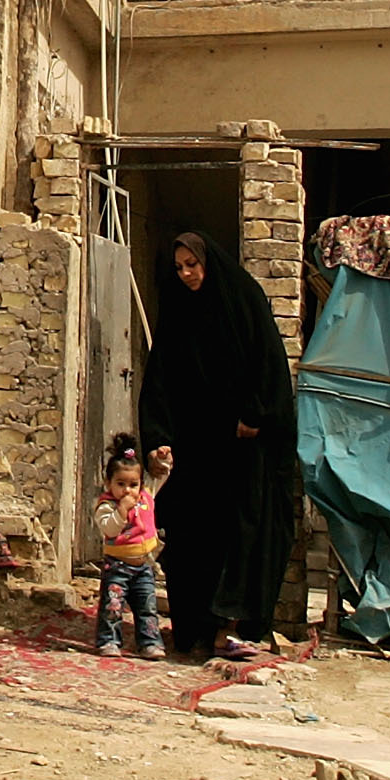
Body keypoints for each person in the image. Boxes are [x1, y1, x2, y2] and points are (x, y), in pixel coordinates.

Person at [140, 230, 296, 658]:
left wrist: (255, 414)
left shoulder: (242, 300)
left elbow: (266, 361)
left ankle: (236, 628)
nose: (187, 274)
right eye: (180, 267)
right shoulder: (177, 311)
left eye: (193, 264)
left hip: (244, 451)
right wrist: (159, 438)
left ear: (209, 262)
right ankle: (195, 630)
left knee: (242, 535)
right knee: (192, 538)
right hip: (197, 449)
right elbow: (162, 380)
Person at [92, 433, 173, 658]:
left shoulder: (146, 496)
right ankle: (108, 641)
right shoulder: (107, 506)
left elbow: (162, 474)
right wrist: (122, 510)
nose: (127, 490)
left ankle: (149, 643)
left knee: (147, 608)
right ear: (108, 483)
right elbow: (109, 529)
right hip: (117, 567)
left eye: (133, 485)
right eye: (121, 484)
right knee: (113, 607)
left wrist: (163, 459)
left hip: (143, 567)